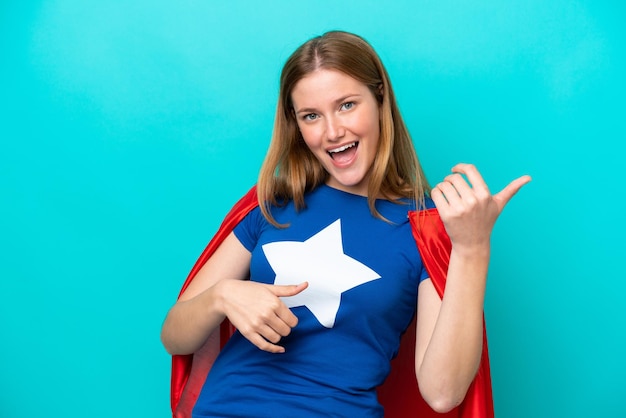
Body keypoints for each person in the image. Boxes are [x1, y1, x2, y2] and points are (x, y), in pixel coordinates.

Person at [160, 30, 530, 418]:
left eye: (347, 105)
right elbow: (175, 336)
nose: (333, 132)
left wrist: (472, 249)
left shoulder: (425, 228)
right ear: (297, 125)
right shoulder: (272, 203)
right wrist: (223, 295)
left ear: (380, 100)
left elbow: (443, 393)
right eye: (311, 116)